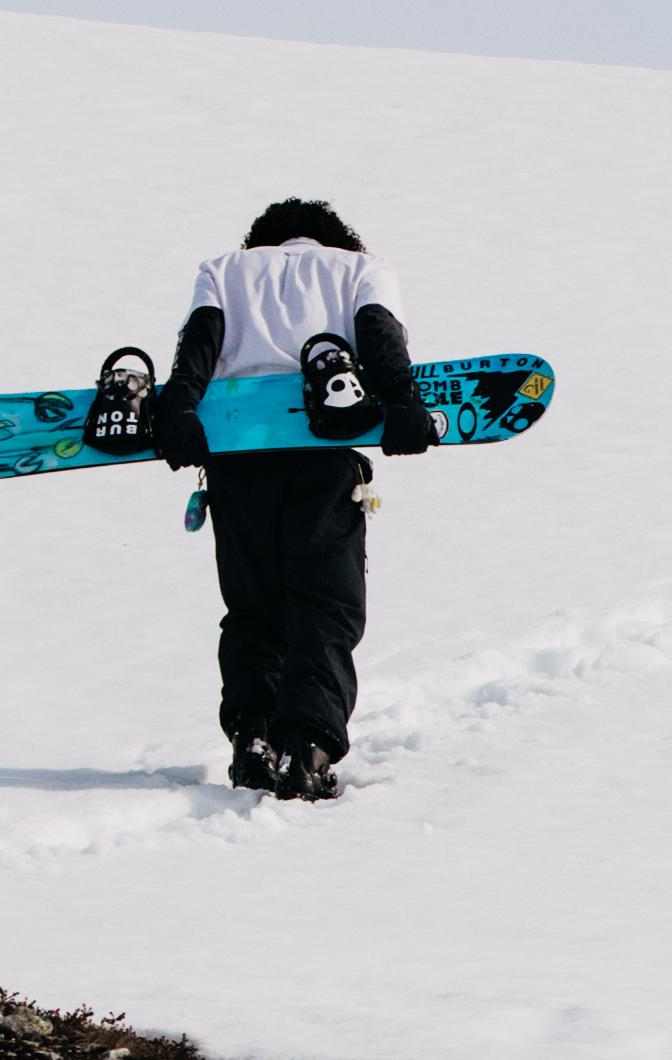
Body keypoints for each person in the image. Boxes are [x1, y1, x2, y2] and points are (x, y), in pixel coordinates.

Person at [84, 198, 434, 800]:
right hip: (321, 456)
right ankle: (308, 749)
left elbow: (199, 346)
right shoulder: (361, 268)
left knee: (253, 607)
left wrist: (180, 412)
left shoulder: (223, 270)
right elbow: (379, 335)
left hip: (237, 465)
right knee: (324, 605)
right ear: (333, 236)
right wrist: (404, 404)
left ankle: (254, 737)